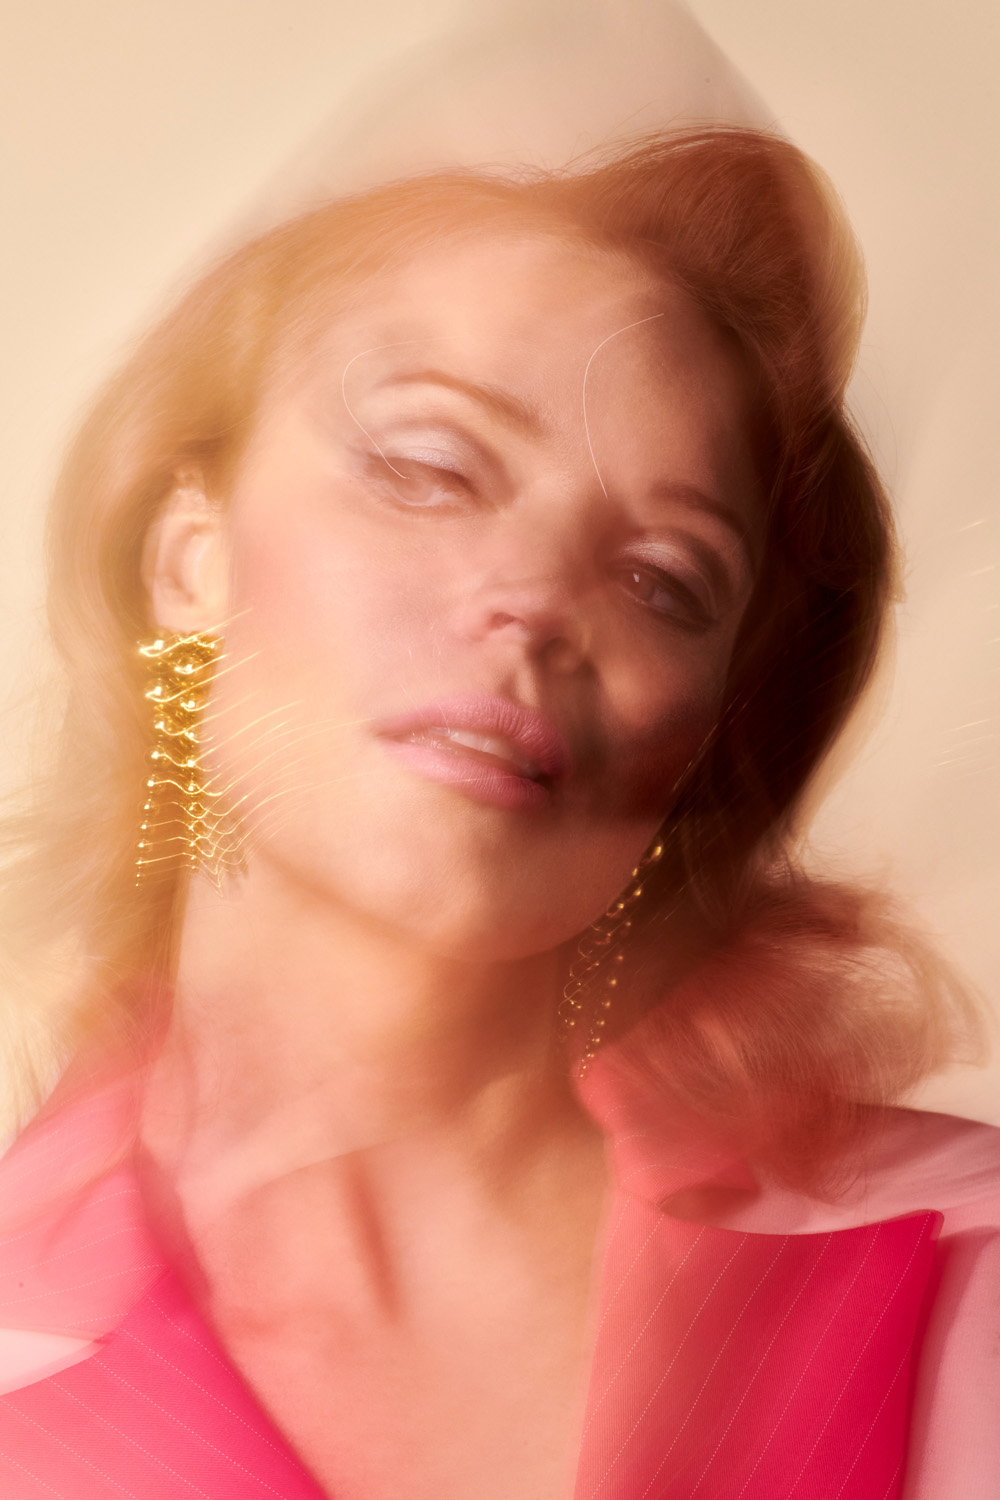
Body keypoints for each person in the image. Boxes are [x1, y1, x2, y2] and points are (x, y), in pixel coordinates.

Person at [0, 126, 996, 1499]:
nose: (535, 599)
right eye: (431, 468)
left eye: (664, 579)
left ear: (702, 739)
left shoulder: (965, 1271)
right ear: (190, 560)